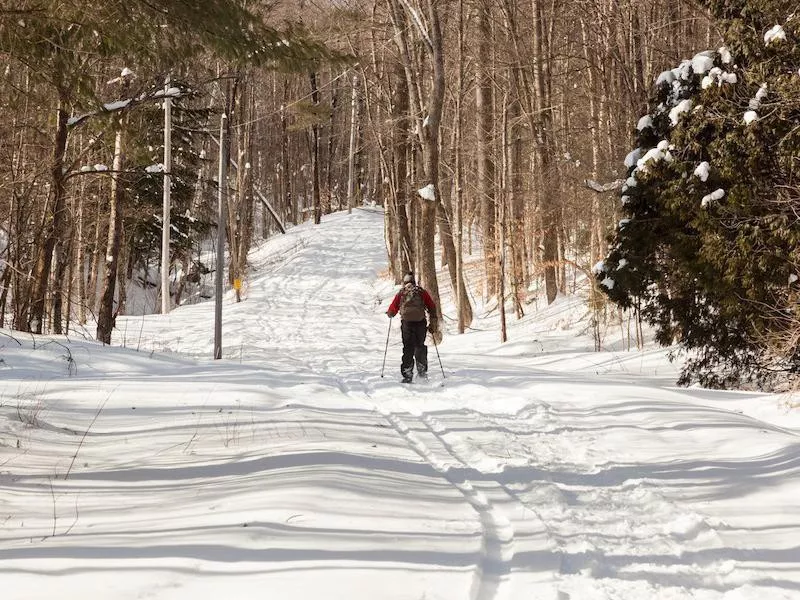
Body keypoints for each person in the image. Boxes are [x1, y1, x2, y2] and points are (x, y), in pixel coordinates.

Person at [386, 272, 438, 383]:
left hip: (407, 324)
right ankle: (422, 371)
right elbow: (431, 307)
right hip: (420, 324)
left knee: (408, 348)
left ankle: (407, 374)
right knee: (419, 346)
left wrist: (390, 313)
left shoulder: (401, 293)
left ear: (404, 282)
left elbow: (392, 309)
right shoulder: (421, 292)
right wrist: (432, 323)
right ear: (414, 282)